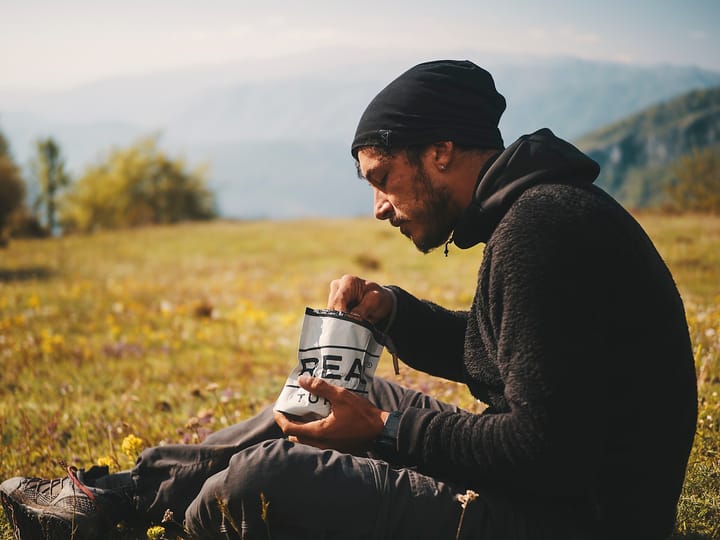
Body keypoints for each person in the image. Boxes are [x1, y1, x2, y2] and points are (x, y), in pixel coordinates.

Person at [1, 60, 698, 540]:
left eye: (383, 176)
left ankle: (137, 511)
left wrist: (384, 435)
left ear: (442, 152)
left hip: (573, 522)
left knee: (255, 486)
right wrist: (394, 312)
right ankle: (116, 496)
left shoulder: (543, 229)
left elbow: (548, 452)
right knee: (318, 400)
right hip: (558, 498)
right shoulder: (535, 215)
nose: (379, 208)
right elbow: (517, 358)